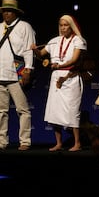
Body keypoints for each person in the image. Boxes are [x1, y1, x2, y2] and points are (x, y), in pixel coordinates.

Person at [0, 0, 36, 151]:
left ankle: (25, 141)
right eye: (4, 11)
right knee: (1, 110)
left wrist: (28, 69)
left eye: (10, 11)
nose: (6, 13)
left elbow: (28, 49)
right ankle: (1, 141)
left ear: (15, 12)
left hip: (16, 73)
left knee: (23, 110)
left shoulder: (24, 27)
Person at [31, 14, 87, 152]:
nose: (63, 28)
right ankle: (59, 143)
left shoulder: (78, 40)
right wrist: (35, 50)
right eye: (61, 25)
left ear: (71, 26)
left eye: (66, 25)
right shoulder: (54, 41)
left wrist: (59, 66)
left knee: (73, 110)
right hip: (56, 77)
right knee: (54, 111)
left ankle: (77, 143)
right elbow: (41, 55)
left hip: (71, 77)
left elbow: (74, 60)